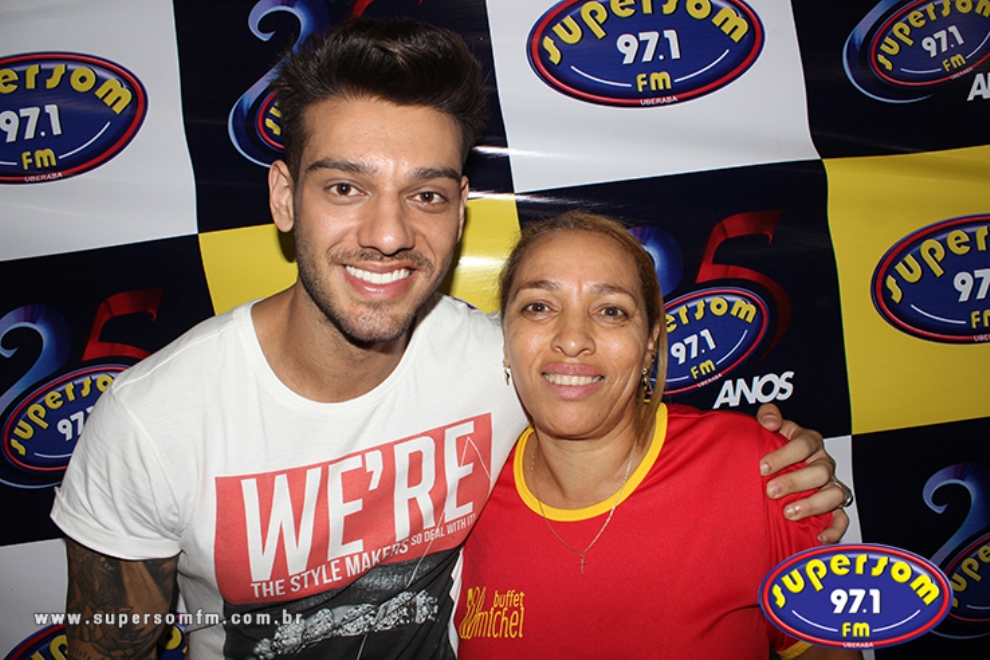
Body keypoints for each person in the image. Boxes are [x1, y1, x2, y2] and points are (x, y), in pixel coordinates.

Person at [50, 18, 849, 660]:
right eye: (345, 187)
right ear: (285, 197)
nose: (389, 233)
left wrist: (776, 464)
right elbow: (107, 645)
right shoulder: (157, 422)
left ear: (461, 209)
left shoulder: (503, 364)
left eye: (425, 194)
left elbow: (624, 413)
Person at [455, 212, 861, 659]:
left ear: (650, 342)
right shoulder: (461, 493)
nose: (572, 339)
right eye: (538, 307)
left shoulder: (755, 469)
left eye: (611, 311)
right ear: (505, 337)